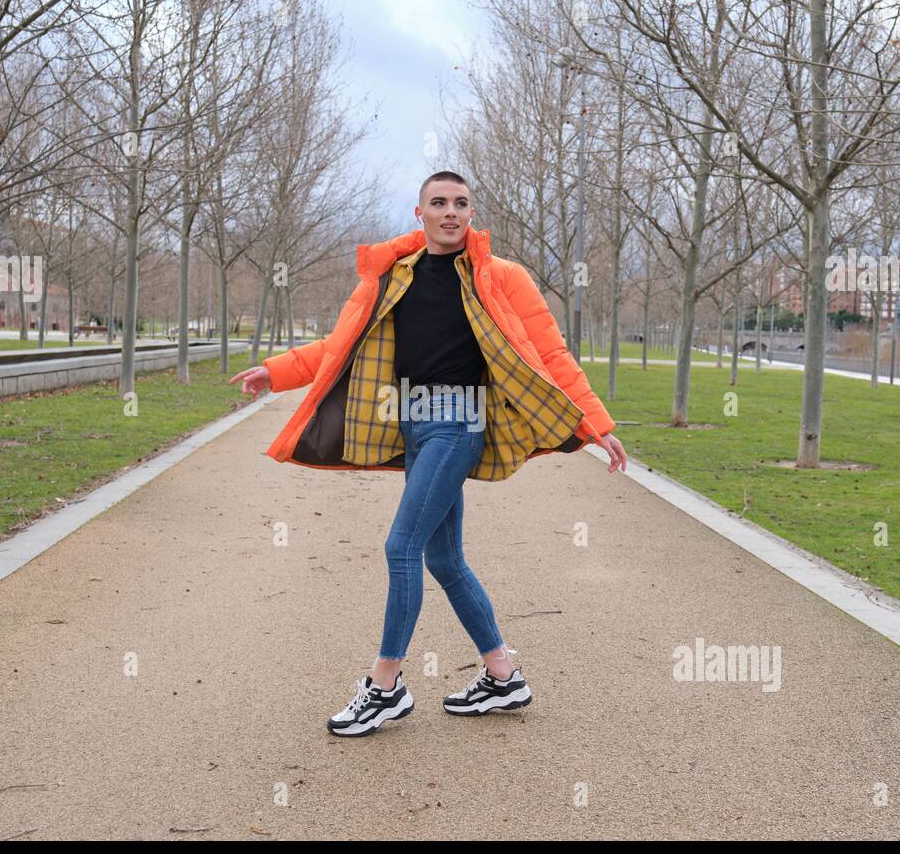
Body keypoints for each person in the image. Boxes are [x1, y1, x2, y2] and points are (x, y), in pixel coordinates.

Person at [231, 171, 627, 737]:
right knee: (442, 559)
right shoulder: (394, 275)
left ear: (471, 212)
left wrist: (596, 424)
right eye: (438, 203)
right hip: (412, 422)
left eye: (460, 203)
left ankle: (384, 686)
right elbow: (339, 345)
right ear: (419, 213)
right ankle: (502, 674)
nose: (450, 212)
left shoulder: (500, 277)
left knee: (401, 546)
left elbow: (550, 350)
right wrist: (276, 371)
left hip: (458, 425)